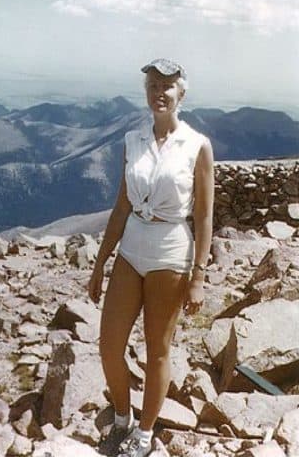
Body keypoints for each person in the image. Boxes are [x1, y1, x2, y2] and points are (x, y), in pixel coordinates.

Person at [87, 58, 214, 457]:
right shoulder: (133, 141)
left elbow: (205, 214)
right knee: (109, 343)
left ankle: (144, 433)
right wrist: (99, 262)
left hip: (172, 250)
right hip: (132, 246)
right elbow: (121, 206)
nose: (159, 92)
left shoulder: (197, 146)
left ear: (182, 93)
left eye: (168, 85)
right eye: (153, 85)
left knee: (158, 348)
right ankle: (122, 416)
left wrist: (199, 275)